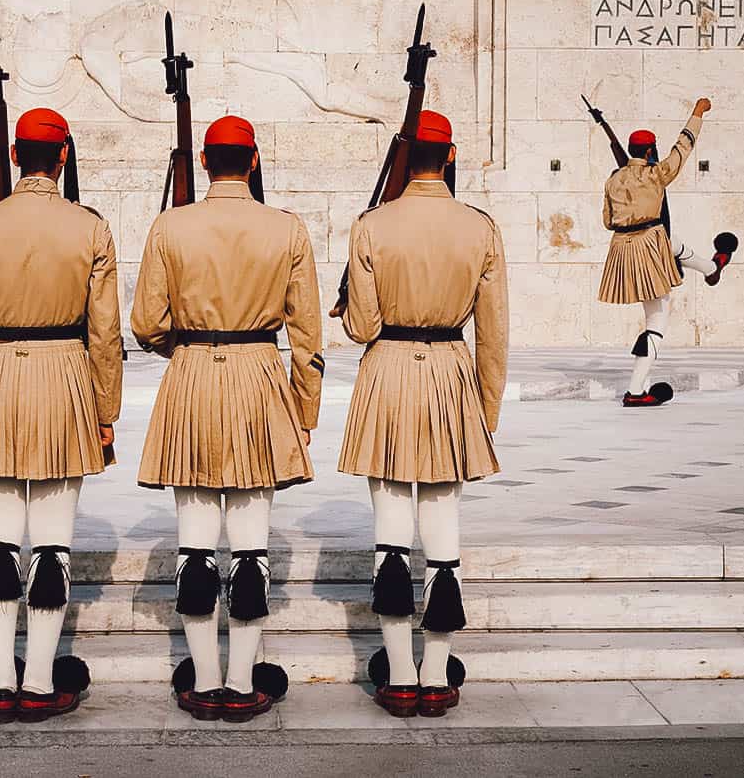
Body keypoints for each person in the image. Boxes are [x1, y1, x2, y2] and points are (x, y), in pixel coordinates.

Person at [132, 115, 323, 723]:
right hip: (260, 375)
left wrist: (185, 350)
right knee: (250, 548)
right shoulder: (286, 229)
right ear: (255, 161)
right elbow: (308, 330)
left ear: (206, 164)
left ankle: (204, 679)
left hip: (191, 373)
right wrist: (305, 406)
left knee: (194, 545)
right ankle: (242, 682)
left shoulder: (170, 226)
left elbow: (146, 322)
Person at [0, 107, 123, 724]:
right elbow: (105, 334)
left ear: (15, 158)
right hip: (64, 375)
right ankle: (41, 681)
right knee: (51, 545)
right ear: (63, 157)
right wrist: (106, 409)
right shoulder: (90, 228)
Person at [338, 110, 508, 718]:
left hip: (387, 369)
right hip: (450, 369)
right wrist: (484, 410)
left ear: (406, 160)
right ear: (452, 155)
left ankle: (399, 673)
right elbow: (493, 332)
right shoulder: (480, 228)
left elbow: (362, 326)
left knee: (390, 529)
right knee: (441, 523)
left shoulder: (371, 226)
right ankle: (436, 673)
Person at [598, 98, 736, 406]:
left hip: (622, 249)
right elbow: (683, 147)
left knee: (672, 246)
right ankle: (635, 391)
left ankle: (712, 269)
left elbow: (608, 221)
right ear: (649, 151)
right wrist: (697, 112)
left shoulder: (613, 179)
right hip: (650, 243)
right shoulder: (655, 173)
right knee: (657, 321)